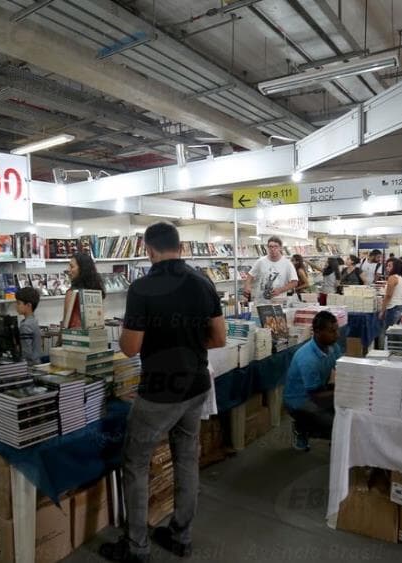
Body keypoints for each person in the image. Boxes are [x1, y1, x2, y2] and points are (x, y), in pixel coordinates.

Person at [100, 222, 226, 563]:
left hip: (159, 390)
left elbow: (129, 348)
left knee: (136, 462)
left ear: (148, 249)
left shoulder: (141, 288)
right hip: (197, 383)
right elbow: (219, 339)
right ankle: (180, 536)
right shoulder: (204, 282)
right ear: (181, 247)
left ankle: (137, 546)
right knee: (187, 457)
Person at [284, 311, 341, 452]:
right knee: (336, 423)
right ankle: (301, 427)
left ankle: (333, 435)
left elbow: (342, 368)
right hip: (299, 401)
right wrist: (340, 393)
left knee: (346, 412)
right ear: (317, 332)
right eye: (332, 331)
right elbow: (316, 396)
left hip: (317, 389)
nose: (337, 335)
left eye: (336, 330)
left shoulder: (333, 346)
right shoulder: (308, 359)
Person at [245, 236, 298, 301]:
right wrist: (247, 285)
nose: (273, 249)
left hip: (279, 301)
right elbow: (250, 275)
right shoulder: (261, 261)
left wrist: (280, 290)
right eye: (270, 246)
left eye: (276, 246)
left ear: (280, 248)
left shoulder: (287, 263)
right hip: (261, 300)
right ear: (267, 248)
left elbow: (294, 282)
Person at [63, 252, 105, 328]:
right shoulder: (96, 289)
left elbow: (66, 323)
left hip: (75, 335)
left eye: (72, 267)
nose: (68, 270)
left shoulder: (72, 293)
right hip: (94, 334)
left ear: (82, 269)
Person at [380, 257, 402, 327]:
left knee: (390, 332)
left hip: (393, 308)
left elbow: (388, 296)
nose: (387, 268)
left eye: (389, 266)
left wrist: (382, 310)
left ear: (396, 267)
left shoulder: (393, 278)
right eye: (387, 266)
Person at [15, 287, 42, 365]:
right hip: (37, 362)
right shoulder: (34, 321)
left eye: (18, 303)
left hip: (30, 366)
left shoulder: (26, 326)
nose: (16, 306)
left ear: (28, 305)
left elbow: (26, 352)